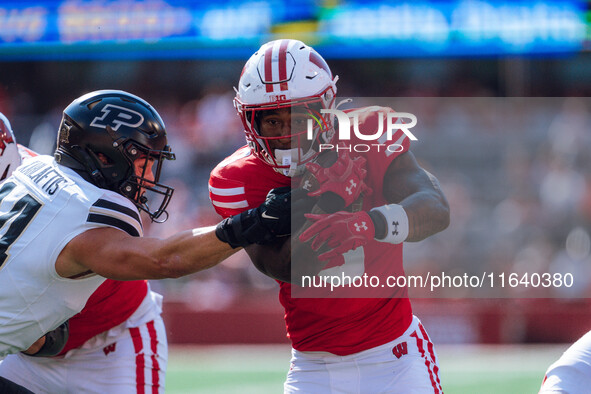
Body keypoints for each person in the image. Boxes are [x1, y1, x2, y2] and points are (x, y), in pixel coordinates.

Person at [0, 90, 291, 393]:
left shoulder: (32, 171)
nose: (150, 179)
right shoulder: (84, 212)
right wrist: (253, 223)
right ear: (102, 155)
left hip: (114, 335)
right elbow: (165, 259)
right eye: (143, 161)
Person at [209, 39, 450, 393]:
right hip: (313, 367)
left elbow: (435, 208)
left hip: (396, 358)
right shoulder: (235, 177)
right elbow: (285, 266)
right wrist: (328, 198)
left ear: (325, 108)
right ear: (249, 119)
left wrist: (369, 224)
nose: (285, 132)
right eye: (272, 120)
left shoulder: (369, 131)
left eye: (297, 114)